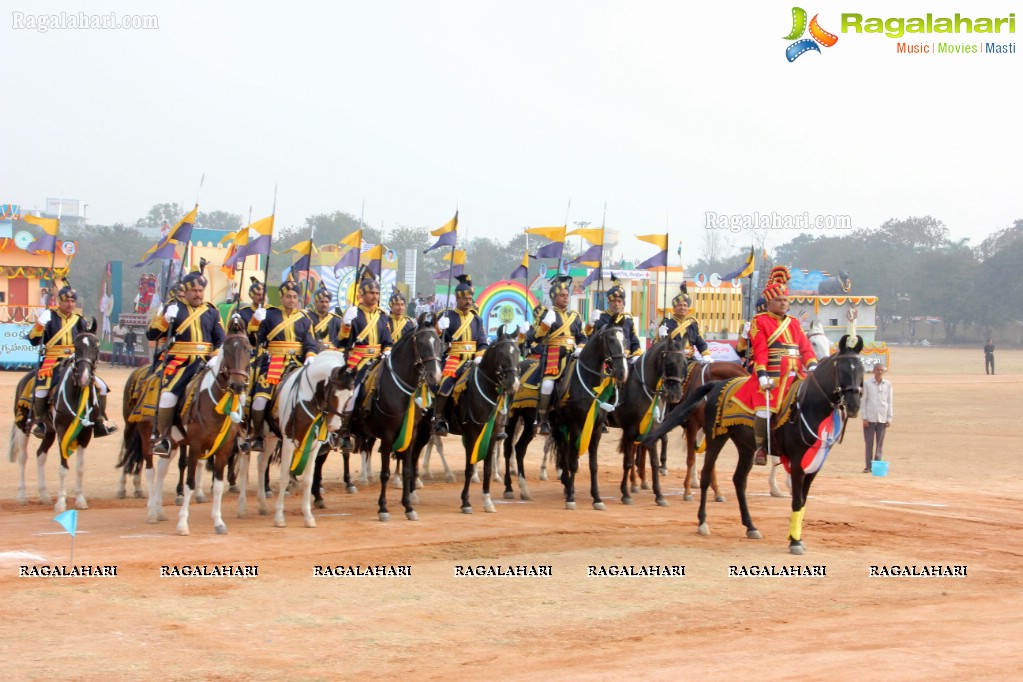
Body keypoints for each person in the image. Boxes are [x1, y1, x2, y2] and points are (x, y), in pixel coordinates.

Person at [731, 266, 818, 466]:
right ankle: (761, 447)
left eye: (785, 300)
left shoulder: (794, 323)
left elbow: (805, 348)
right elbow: (760, 350)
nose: (783, 303)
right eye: (779, 300)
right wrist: (761, 374)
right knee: (763, 409)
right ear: (769, 302)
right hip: (771, 374)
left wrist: (812, 365)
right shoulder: (760, 321)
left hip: (795, 374)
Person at [147, 262, 225, 456]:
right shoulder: (174, 309)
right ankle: (164, 436)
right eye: (194, 291)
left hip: (206, 362)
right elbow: (152, 335)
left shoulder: (211, 311)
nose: (198, 294)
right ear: (187, 291)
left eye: (201, 290)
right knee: (167, 395)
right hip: (180, 362)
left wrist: (215, 356)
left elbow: (221, 339)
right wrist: (165, 320)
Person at [27, 278, 118, 439]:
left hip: (76, 361)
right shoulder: (50, 317)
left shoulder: (79, 320)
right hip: (53, 361)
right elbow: (34, 340)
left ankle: (98, 421)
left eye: (72, 301)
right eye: (66, 301)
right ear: (58, 301)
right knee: (41, 390)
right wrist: (40, 325)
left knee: (102, 387)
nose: (70, 304)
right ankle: (40, 422)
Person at [248, 275, 319, 452]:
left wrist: (310, 355)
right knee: (259, 401)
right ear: (281, 297)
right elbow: (256, 341)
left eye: (295, 297)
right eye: (288, 296)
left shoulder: (305, 319)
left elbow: (310, 342)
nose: (292, 300)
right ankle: (257, 435)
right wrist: (255, 322)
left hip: (297, 363)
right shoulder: (269, 315)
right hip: (274, 363)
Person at [336, 268, 394, 450]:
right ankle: (344, 433)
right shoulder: (354, 313)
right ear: (361, 294)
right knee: (352, 393)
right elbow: (344, 341)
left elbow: (388, 341)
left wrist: (387, 351)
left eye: (377, 293)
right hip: (358, 360)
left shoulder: (383, 316)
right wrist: (346, 325)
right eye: (371, 293)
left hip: (379, 359)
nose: (374, 296)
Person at [432, 274, 489, 436]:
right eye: (464, 298)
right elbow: (435, 341)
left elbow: (483, 342)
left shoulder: (476, 319)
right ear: (457, 299)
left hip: (473, 359)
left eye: (470, 298)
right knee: (445, 384)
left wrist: (480, 355)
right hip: (454, 359)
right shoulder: (448, 316)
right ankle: (439, 419)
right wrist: (439, 328)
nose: (468, 301)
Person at [531, 274, 586, 436]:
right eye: (562, 296)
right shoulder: (546, 315)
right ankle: (544, 419)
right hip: (554, 356)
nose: (565, 298)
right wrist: (545, 325)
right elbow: (536, 338)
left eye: (567, 295)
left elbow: (582, 337)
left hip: (573, 355)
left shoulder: (574, 317)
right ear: (554, 297)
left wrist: (581, 347)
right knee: (548, 385)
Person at [587, 273, 643, 363]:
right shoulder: (600, 318)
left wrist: (636, 355)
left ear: (623, 303)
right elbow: (590, 339)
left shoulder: (628, 321)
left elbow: (634, 341)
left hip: (626, 360)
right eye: (614, 301)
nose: (616, 304)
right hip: (607, 361)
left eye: (619, 301)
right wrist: (590, 325)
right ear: (608, 302)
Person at [659, 283, 712, 364]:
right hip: (673, 360)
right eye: (679, 305)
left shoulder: (692, 324)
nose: (682, 307)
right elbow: (658, 345)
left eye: (685, 305)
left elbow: (700, 341)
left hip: (690, 359)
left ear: (688, 309)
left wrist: (705, 354)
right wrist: (660, 337)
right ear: (674, 308)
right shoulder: (666, 323)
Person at [862, 364, 893, 472]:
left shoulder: (887, 384)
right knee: (869, 443)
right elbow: (863, 401)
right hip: (870, 418)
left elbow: (889, 402)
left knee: (879, 444)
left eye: (881, 370)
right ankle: (868, 466)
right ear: (873, 371)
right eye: (877, 370)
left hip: (882, 418)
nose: (879, 372)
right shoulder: (867, 384)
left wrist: (889, 418)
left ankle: (877, 466)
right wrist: (864, 418)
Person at [306, 282, 343, 350]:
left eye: (327, 302)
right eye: (321, 302)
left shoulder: (336, 320)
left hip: (332, 354)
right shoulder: (307, 318)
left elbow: (342, 340)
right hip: (314, 353)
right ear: (315, 302)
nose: (324, 305)